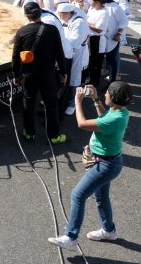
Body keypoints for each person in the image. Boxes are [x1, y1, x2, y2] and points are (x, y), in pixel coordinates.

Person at [47, 81, 132, 250]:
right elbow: (103, 119)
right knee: (100, 197)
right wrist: (96, 100)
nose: (105, 94)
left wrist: (77, 101)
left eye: (107, 93)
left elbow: (82, 124)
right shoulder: (120, 112)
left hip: (106, 165)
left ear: (113, 98)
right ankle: (109, 230)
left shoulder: (114, 118)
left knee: (78, 195)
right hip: (109, 162)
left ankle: (71, 237)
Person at [12, 2, 68, 144]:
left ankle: (29, 132)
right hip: (47, 74)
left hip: (28, 74)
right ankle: (54, 136)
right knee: (51, 104)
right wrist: (63, 72)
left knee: (28, 103)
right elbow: (59, 53)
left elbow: (15, 57)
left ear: (26, 15)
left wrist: (16, 76)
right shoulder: (52, 30)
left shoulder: (21, 32)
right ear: (40, 13)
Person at [59, 2, 90, 115]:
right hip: (66, 51)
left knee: (75, 79)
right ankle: (62, 98)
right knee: (65, 76)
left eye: (61, 14)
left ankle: (72, 103)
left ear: (68, 14)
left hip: (77, 53)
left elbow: (74, 42)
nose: (60, 17)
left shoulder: (79, 22)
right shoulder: (66, 19)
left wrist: (60, 42)